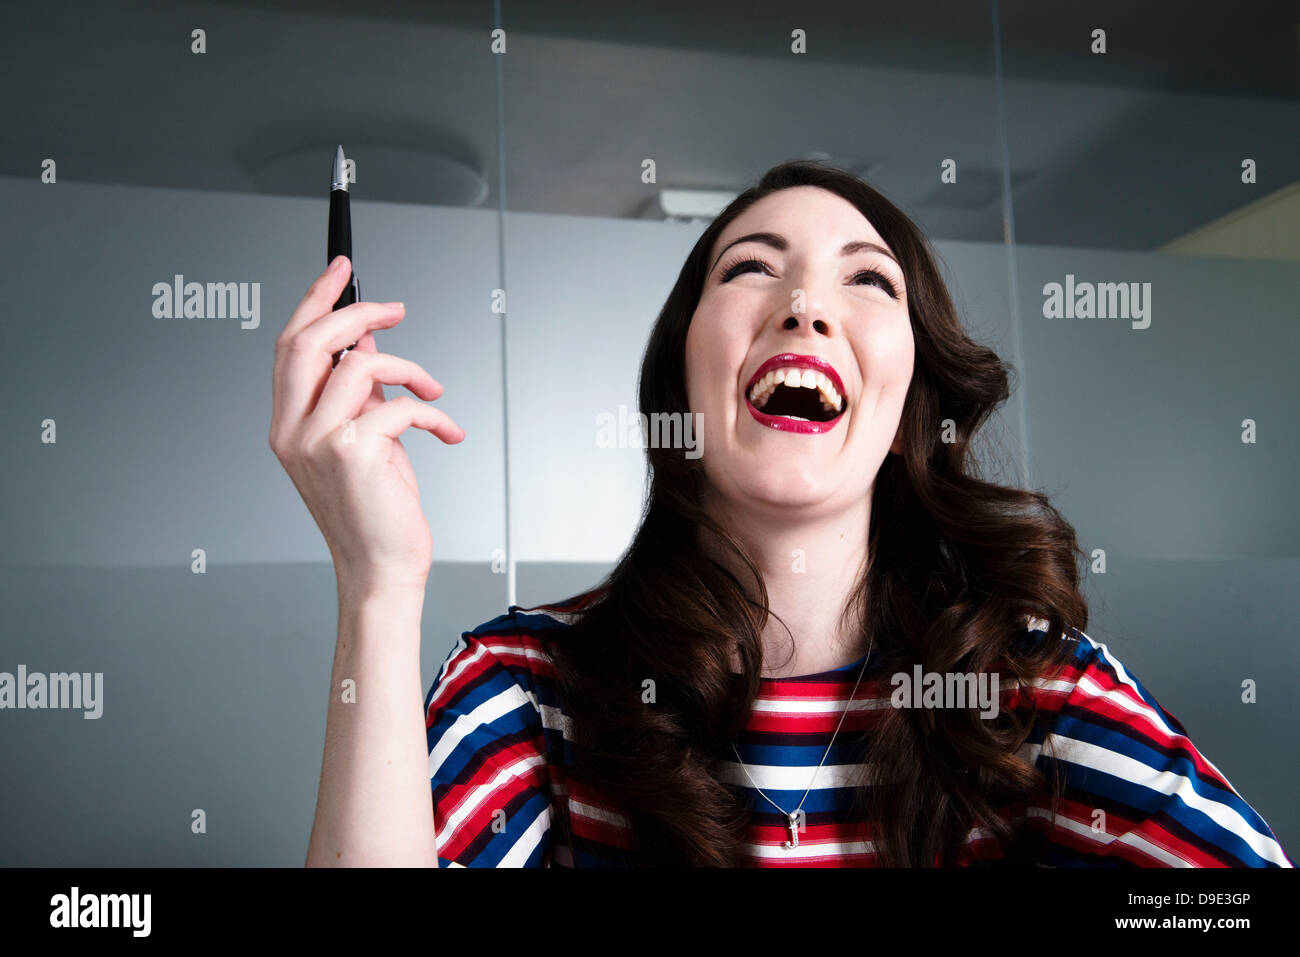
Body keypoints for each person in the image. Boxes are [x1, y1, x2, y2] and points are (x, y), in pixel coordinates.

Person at [273, 160, 1292, 868]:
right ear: (684, 381)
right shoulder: (523, 688)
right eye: (751, 266)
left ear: (905, 412)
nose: (805, 305)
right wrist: (376, 582)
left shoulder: (1030, 687)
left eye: (867, 281)